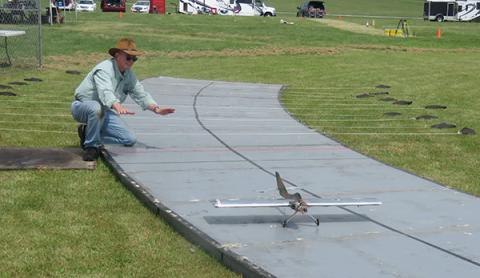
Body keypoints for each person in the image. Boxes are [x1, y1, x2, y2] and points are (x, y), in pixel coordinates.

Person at [71, 38, 175, 161]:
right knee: (96, 108)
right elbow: (105, 91)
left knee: (129, 139)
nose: (131, 62)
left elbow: (140, 93)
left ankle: (87, 133)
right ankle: (91, 147)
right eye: (128, 57)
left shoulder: (128, 74)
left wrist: (156, 109)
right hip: (83, 106)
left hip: (105, 111)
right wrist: (117, 105)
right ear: (117, 55)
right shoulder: (104, 69)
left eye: (134, 59)